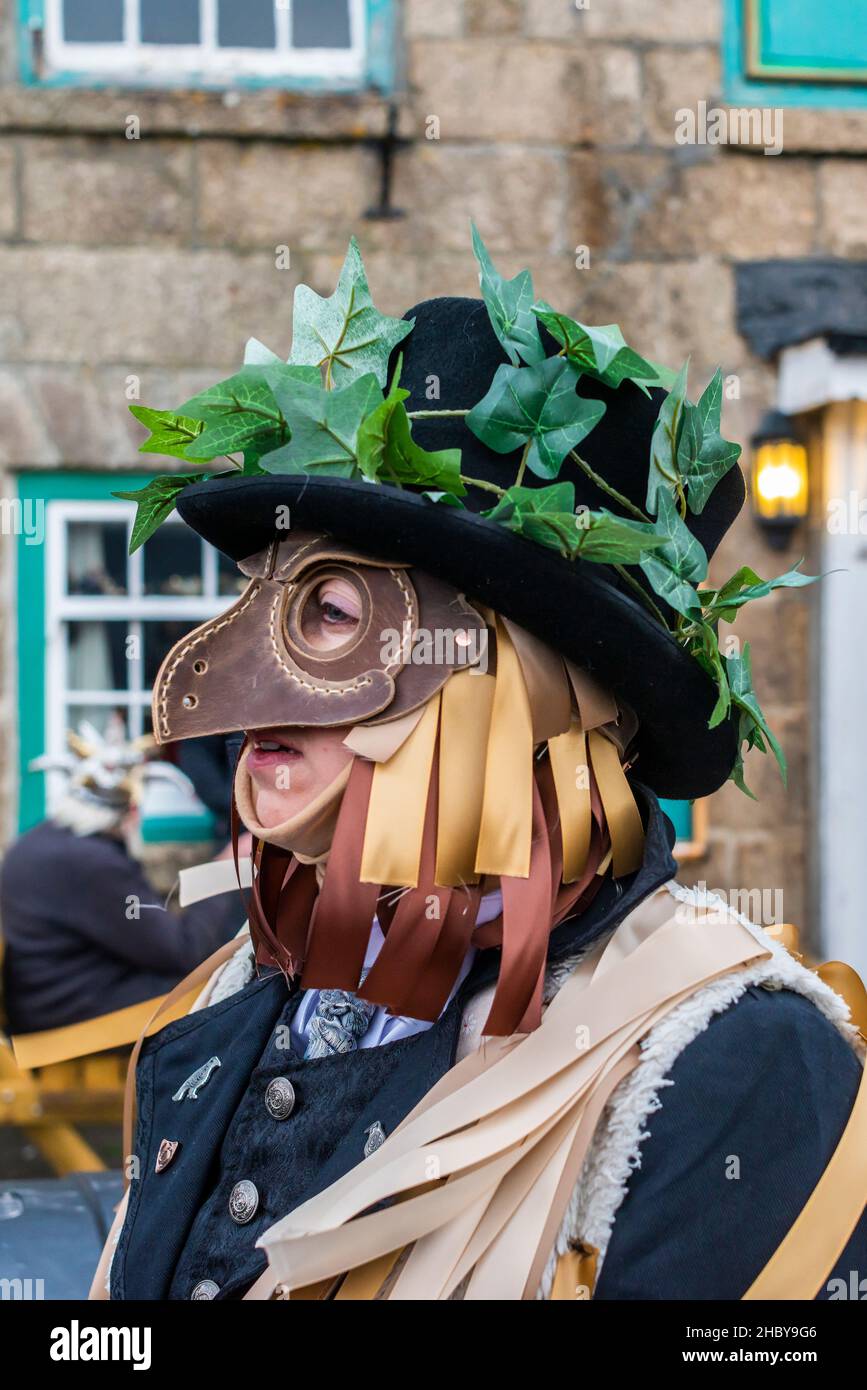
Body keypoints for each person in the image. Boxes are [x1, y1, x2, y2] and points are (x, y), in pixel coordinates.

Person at [91, 233, 866, 1301]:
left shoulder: (727, 1059)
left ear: (515, 681)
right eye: (257, 604)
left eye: (326, 616)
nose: (248, 683)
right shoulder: (239, 988)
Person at [1, 723, 244, 1034]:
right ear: (130, 811)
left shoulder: (43, 840)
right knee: (228, 991)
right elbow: (184, 951)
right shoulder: (92, 863)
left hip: (47, 999)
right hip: (68, 1012)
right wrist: (223, 870)